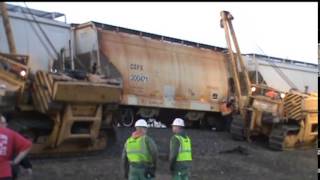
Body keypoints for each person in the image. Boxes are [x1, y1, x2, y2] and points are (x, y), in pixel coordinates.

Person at [0, 115, 32, 180]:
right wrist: (15, 162)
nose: (6, 125)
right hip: (5, 173)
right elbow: (26, 146)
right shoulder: (10, 134)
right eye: (3, 123)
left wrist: (27, 165)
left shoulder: (11, 135)